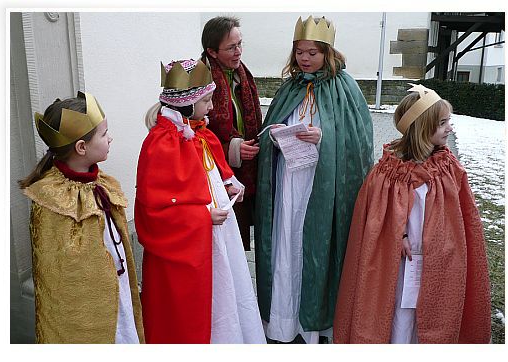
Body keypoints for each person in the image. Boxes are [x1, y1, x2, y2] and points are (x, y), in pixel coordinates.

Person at [333, 84, 492, 343]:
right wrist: (400, 235)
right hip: (397, 262)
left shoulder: (448, 168)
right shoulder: (387, 173)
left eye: (448, 122)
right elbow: (375, 219)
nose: (449, 128)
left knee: (434, 309)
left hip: (440, 258)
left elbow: (464, 218)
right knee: (400, 310)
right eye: (442, 123)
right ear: (422, 128)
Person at [254, 16, 374, 343]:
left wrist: (323, 137)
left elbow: (358, 142)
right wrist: (275, 136)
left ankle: (316, 322)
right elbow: (267, 133)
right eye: (300, 52)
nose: (305, 59)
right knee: (286, 243)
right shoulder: (289, 88)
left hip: (323, 187)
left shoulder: (345, 88)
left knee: (317, 245)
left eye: (313, 52)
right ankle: (282, 319)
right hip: (287, 183)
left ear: (328, 52)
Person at [135, 59, 265, 344]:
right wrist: (202, 217)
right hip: (192, 241)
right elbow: (155, 210)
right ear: (186, 104)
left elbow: (211, 167)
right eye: (206, 100)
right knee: (198, 302)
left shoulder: (196, 131)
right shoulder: (162, 143)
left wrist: (230, 181)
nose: (211, 107)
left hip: (218, 233)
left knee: (224, 287)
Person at [19, 92, 145, 343]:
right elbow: (60, 273)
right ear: (81, 147)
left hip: (116, 292)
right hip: (85, 308)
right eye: (103, 133)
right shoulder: (51, 198)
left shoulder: (102, 184)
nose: (110, 138)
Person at [201, 15, 263, 251]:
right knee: (223, 243)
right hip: (217, 176)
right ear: (212, 52)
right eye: (231, 47)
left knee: (237, 239)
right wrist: (233, 149)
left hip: (243, 171)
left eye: (239, 44)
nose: (238, 52)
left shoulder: (242, 75)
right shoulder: (200, 80)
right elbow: (199, 133)